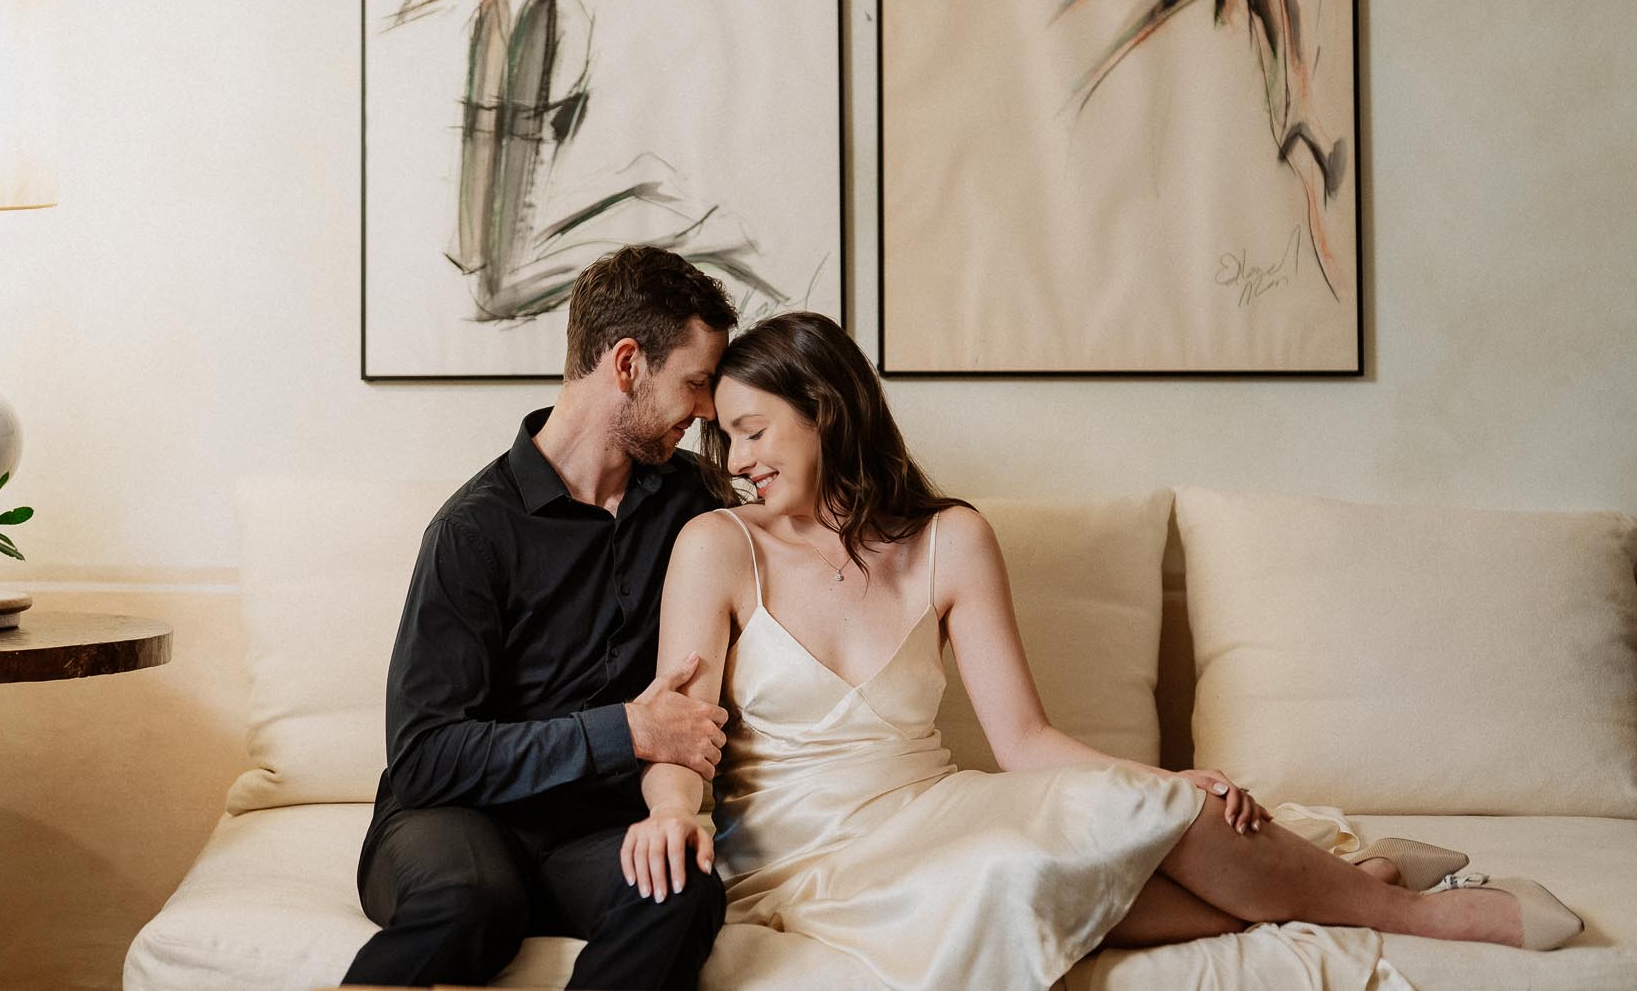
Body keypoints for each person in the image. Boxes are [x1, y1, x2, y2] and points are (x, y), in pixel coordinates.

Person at [620, 311, 1583, 989]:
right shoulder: (718, 546)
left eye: (751, 431)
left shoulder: (951, 538)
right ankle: (1366, 890)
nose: (736, 460)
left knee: (1146, 808)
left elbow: (1024, 738)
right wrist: (669, 812)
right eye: (726, 438)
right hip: (805, 855)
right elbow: (676, 733)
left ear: (825, 409)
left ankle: (1408, 912)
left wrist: (1168, 782)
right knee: (1011, 876)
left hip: (934, 803)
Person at [344, 246, 740, 990]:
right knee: (472, 904)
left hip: (591, 835)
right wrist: (627, 730)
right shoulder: (472, 529)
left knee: (682, 887)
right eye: (696, 383)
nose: (708, 410)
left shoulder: (694, 503)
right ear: (628, 364)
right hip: (456, 820)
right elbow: (425, 756)